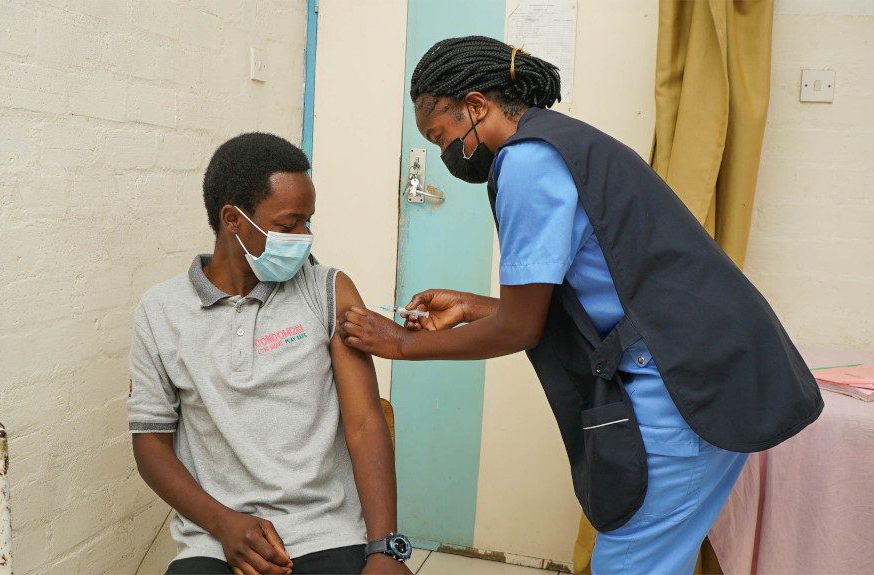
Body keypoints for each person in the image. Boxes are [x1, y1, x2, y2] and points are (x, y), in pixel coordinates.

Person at [337, 36, 823, 575]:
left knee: (631, 564)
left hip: (686, 387)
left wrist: (401, 344)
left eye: (442, 136)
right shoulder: (563, 141)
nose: (447, 153)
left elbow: (521, 329)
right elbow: (581, 289)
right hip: (720, 364)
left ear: (476, 106)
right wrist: (475, 306)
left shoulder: (526, 163)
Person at [128, 133, 413, 575]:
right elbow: (150, 444)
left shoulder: (328, 290)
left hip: (325, 530)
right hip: (215, 538)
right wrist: (224, 525)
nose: (304, 238)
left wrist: (385, 549)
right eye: (288, 225)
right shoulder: (160, 311)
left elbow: (364, 424)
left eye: (308, 222)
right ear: (233, 220)